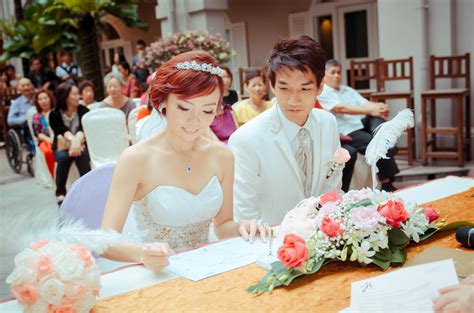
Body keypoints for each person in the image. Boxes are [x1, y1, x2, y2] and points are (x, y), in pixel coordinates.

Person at [101, 51, 269, 271]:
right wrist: (143, 253)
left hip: (208, 267)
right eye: (183, 108)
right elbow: (105, 242)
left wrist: (242, 227)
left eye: (207, 110)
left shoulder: (222, 156)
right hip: (158, 271)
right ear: (163, 102)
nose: (194, 121)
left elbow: (222, 226)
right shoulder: (136, 159)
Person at [228, 36, 342, 225]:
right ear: (272, 85)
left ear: (320, 87)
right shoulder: (245, 139)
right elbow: (245, 215)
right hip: (272, 243)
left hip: (324, 237)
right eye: (284, 88)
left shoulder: (328, 122)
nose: (293, 100)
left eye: (305, 89)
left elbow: (333, 189)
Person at [317, 59, 399, 192]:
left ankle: (385, 141)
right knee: (376, 142)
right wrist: (370, 110)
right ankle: (386, 181)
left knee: (376, 117)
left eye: (339, 72)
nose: (337, 76)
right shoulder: (323, 92)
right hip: (347, 130)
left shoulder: (346, 90)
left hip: (361, 123)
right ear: (324, 74)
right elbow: (341, 108)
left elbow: (366, 103)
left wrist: (379, 107)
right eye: (333, 72)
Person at [49, 82, 91, 204]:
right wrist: (73, 141)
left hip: (81, 143)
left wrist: (77, 141)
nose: (79, 96)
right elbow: (60, 130)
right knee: (63, 157)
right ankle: (60, 192)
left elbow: (85, 128)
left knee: (82, 155)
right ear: (66, 97)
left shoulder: (84, 110)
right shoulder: (54, 114)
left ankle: (88, 189)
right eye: (75, 94)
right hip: (63, 145)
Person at [210, 66, 239, 143]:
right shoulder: (208, 115)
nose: (225, 80)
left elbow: (238, 132)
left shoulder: (229, 110)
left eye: (227, 76)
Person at [32, 90, 55, 177]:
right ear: (37, 102)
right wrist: (49, 140)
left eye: (45, 98)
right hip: (45, 140)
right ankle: (53, 175)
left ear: (50, 99)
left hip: (58, 137)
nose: (43, 101)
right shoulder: (37, 116)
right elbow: (38, 133)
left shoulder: (56, 112)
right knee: (48, 151)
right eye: (40, 99)